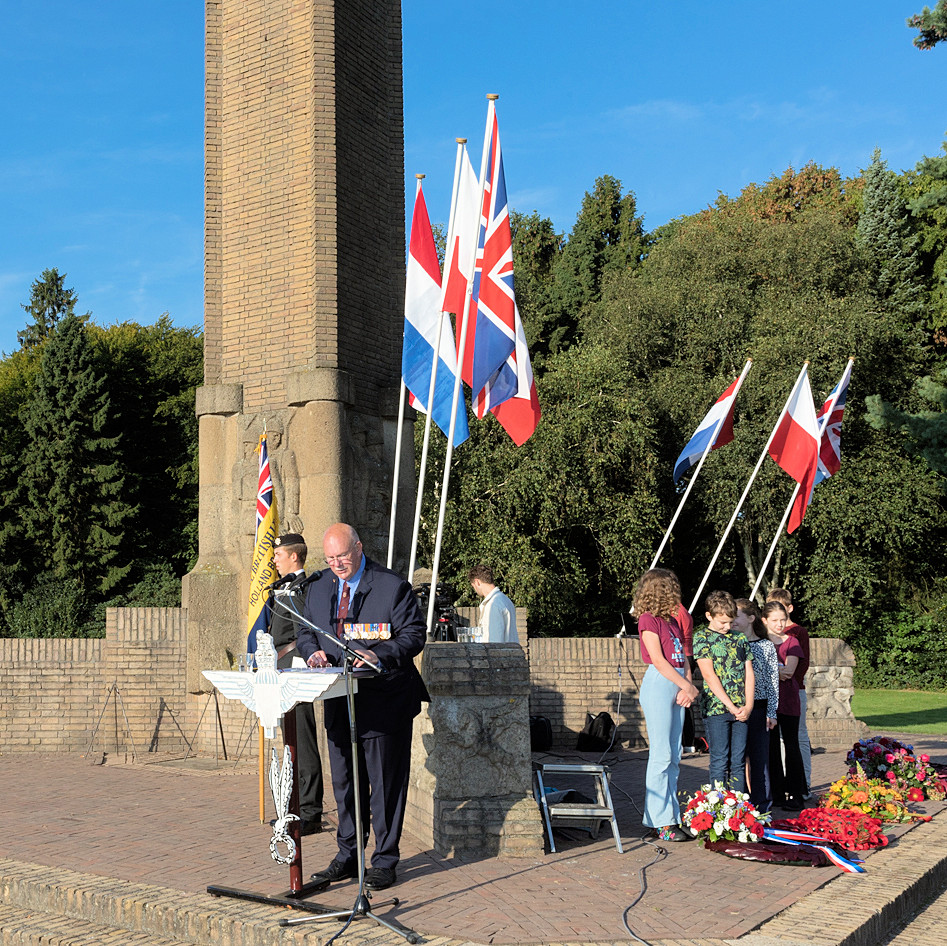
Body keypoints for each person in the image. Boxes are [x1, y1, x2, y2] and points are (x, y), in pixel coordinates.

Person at [297, 523, 428, 891]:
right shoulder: (320, 585)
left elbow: (414, 634)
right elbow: (306, 632)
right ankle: (348, 856)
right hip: (339, 700)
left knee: (384, 786)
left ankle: (385, 861)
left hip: (384, 701)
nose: (336, 564)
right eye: (330, 558)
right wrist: (313, 653)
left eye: (342, 556)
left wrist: (377, 653)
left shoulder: (391, 586)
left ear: (359, 548)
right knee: (344, 783)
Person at [633, 568, 699, 842]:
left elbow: (682, 657)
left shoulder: (671, 621)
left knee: (674, 755)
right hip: (660, 684)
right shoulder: (648, 620)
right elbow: (659, 661)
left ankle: (669, 816)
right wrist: (686, 686)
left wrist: (687, 684)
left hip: (676, 684)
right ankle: (660, 821)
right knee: (661, 754)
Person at [266, 532, 324, 835]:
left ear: (294, 556)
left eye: (278, 555)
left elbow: (306, 630)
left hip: (296, 666)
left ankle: (310, 811)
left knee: (302, 736)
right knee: (290, 738)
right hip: (280, 666)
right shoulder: (282, 587)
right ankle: (294, 805)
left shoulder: (306, 587)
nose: (274, 560)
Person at [693, 591, 754, 792]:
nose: (727, 627)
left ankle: (739, 808)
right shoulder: (702, 637)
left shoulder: (740, 638)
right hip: (717, 709)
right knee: (719, 760)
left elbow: (749, 672)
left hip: (741, 710)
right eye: (723, 623)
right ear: (709, 616)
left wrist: (748, 705)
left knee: (738, 762)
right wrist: (731, 706)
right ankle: (719, 808)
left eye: (731, 622)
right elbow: (709, 676)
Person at [735, 598, 779, 813]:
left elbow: (772, 681)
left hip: (760, 707)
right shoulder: (730, 643)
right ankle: (740, 805)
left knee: (759, 760)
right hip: (736, 708)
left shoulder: (766, 645)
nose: (732, 620)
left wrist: (772, 711)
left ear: (751, 618)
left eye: (737, 615)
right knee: (737, 759)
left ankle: (762, 807)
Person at [766, 587, 811, 795]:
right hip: (768, 700)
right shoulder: (762, 642)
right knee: (772, 747)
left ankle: (798, 789)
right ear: (765, 620)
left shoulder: (793, 639)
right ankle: (777, 792)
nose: (779, 624)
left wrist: (771, 669)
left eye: (782, 620)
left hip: (790, 697)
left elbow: (790, 671)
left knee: (793, 742)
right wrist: (777, 669)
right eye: (774, 620)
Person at [468, 564, 519, 643]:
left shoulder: (493, 604)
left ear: (477, 582)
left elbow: (494, 643)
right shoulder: (505, 600)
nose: (475, 590)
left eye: (473, 586)